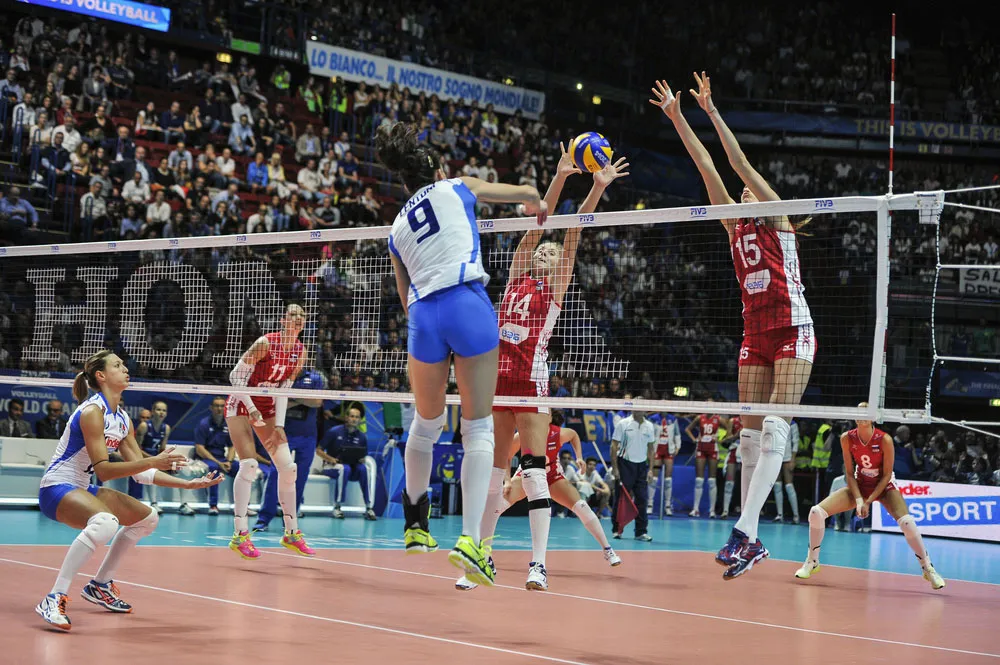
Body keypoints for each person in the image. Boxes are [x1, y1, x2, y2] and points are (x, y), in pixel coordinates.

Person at [651, 74, 816, 579]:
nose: (743, 189)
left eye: (749, 188)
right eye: (741, 191)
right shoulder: (732, 224)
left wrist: (712, 109)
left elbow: (739, 162)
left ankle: (744, 532)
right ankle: (752, 537)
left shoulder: (778, 218)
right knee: (746, 437)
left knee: (773, 428)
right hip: (755, 334)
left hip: (792, 329)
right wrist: (680, 118)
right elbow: (708, 167)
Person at [377, 121, 547, 588]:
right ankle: (471, 541)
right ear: (434, 169)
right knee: (477, 428)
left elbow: (404, 295)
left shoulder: (395, 229)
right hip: (466, 303)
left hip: (423, 317)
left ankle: (414, 523)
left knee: (426, 424)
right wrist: (539, 202)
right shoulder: (458, 186)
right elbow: (524, 192)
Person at [485, 144, 630, 590]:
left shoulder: (557, 286)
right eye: (541, 254)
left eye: (551, 255)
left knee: (532, 470)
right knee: (492, 471)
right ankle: (481, 553)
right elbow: (536, 225)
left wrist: (595, 190)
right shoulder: (515, 277)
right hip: (498, 380)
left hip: (531, 380)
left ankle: (538, 564)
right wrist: (561, 176)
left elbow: (571, 237)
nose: (545, 255)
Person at [34, 350, 221, 630]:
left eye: (123, 365)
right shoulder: (92, 412)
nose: (125, 369)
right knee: (105, 522)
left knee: (148, 517)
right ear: (101, 376)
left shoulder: (121, 418)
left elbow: (141, 470)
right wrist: (154, 460)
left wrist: (188, 484)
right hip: (56, 488)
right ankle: (54, 596)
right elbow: (105, 470)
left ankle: (100, 585)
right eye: (117, 365)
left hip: (82, 487)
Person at [455, 411, 620, 590]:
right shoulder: (522, 434)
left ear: (548, 418)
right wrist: (508, 481)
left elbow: (574, 435)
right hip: (525, 475)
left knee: (581, 506)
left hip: (553, 477)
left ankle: (607, 549)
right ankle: (484, 557)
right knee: (497, 504)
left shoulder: (558, 433)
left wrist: (579, 456)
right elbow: (507, 456)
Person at [795, 405, 945, 590]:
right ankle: (812, 561)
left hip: (885, 486)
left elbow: (886, 475)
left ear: (873, 417)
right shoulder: (847, 438)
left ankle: (927, 568)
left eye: (865, 413)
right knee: (816, 512)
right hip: (859, 484)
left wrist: (867, 502)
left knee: (907, 522)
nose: (861, 417)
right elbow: (849, 474)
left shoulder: (885, 440)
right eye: (858, 413)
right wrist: (859, 499)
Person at [225, 304, 315, 559]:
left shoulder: (300, 352)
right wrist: (252, 408)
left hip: (268, 408)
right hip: (241, 403)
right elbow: (235, 377)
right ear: (283, 320)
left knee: (289, 468)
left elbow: (283, 390)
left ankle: (291, 533)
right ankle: (240, 534)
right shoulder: (265, 343)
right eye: (293, 315)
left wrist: (279, 425)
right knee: (250, 464)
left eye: (302, 316)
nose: (298, 318)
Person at [253, 369, 324, 532]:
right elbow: (273, 403)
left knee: (300, 477)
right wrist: (303, 398)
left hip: (308, 436)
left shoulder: (314, 377)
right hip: (283, 433)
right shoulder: (278, 376)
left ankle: (290, 519)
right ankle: (264, 519)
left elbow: (317, 402)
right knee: (275, 475)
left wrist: (288, 397)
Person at [316, 405, 376, 520]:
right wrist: (330, 459)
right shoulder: (334, 432)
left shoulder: (362, 437)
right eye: (352, 416)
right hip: (331, 466)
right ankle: (337, 507)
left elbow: (363, 455)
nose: (354, 419)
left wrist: (361, 459)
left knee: (364, 469)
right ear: (346, 417)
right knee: (344, 468)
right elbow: (318, 450)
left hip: (352, 466)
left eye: (357, 417)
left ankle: (369, 507)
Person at [610, 404, 657, 541]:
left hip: (641, 466)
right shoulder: (623, 424)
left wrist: (650, 470)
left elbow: (651, 449)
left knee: (642, 499)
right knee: (621, 498)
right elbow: (614, 446)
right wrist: (615, 468)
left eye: (641, 406)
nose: (638, 409)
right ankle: (617, 530)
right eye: (635, 406)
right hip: (625, 464)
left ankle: (640, 532)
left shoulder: (649, 426)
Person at [127, 400, 171, 514]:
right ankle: (135, 501)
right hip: (141, 456)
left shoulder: (166, 428)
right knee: (142, 470)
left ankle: (154, 503)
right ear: (152, 412)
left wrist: (167, 461)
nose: (161, 412)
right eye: (158, 409)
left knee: (177, 470)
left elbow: (162, 448)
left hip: (155, 457)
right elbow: (136, 448)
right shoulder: (144, 426)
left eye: (164, 410)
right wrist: (153, 459)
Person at [685, 411, 722, 518]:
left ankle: (712, 511)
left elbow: (729, 426)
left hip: (713, 449)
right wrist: (694, 439)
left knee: (712, 480)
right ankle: (695, 509)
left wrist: (720, 439)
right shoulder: (699, 418)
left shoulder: (718, 418)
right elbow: (687, 429)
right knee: (699, 480)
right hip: (701, 447)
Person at [651, 413, 680, 516]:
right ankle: (650, 505)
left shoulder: (672, 419)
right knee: (653, 479)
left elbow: (677, 434)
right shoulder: (653, 419)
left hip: (668, 451)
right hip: (656, 450)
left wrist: (677, 447)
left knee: (668, 480)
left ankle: (667, 506)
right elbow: (649, 434)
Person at [772, 419, 800, 523]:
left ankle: (796, 516)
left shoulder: (792, 423)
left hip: (787, 457)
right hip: (775, 455)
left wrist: (793, 458)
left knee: (789, 486)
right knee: (777, 485)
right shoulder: (774, 421)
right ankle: (780, 515)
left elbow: (795, 441)